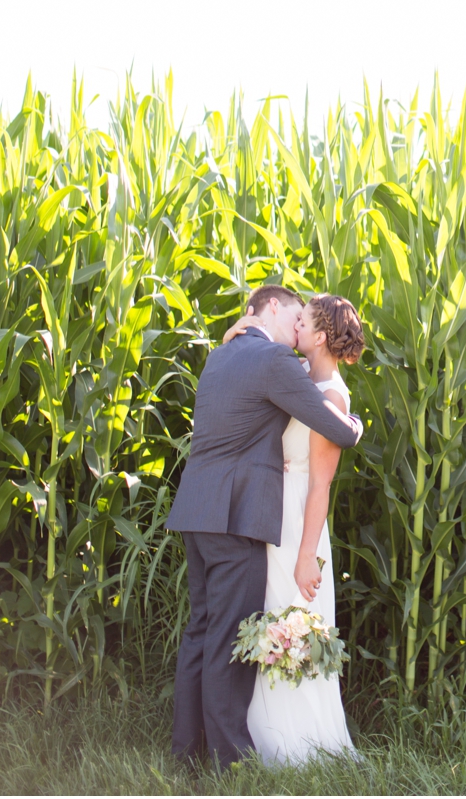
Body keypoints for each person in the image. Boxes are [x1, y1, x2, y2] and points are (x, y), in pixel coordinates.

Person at [167, 284, 364, 771]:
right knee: (227, 638)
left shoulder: (221, 355)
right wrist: (355, 424)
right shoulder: (274, 362)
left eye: (305, 322)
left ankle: (184, 753)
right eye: (293, 317)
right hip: (238, 517)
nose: (295, 328)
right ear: (272, 307)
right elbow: (339, 430)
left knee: (201, 631)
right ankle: (228, 760)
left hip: (198, 510)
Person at [223, 292, 367, 765]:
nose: (295, 325)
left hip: (300, 519)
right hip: (274, 513)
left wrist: (308, 555)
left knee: (295, 625)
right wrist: (234, 337)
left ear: (320, 335)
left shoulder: (331, 396)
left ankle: (300, 747)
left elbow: (320, 485)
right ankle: (267, 739)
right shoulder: (300, 378)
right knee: (270, 620)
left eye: (302, 320)